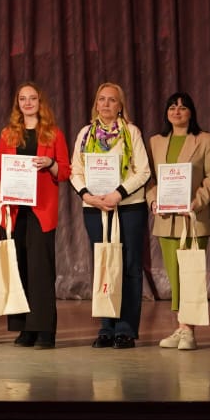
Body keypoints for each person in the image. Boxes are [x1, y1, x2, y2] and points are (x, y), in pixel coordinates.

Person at [70, 82, 152, 349]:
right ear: (96, 104)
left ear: (120, 105)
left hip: (128, 207)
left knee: (128, 266)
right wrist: (87, 195)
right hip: (94, 207)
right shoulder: (86, 133)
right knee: (103, 264)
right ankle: (106, 326)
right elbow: (75, 171)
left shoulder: (131, 132)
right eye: (101, 100)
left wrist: (118, 193)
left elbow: (144, 172)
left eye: (112, 100)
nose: (106, 104)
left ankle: (126, 329)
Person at [0, 82, 69, 350]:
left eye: (32, 98)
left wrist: (50, 164)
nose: (27, 103)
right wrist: (0, 185)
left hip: (41, 210)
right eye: (22, 98)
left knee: (41, 271)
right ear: (17, 104)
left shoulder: (53, 134)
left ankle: (45, 330)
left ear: (40, 102)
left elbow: (65, 172)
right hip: (14, 210)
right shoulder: (7, 135)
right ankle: (24, 329)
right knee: (18, 269)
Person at [145, 92, 210, 351]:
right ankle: (181, 327)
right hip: (166, 220)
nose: (177, 111)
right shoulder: (155, 142)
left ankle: (189, 330)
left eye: (183, 107)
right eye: (172, 107)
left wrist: (197, 202)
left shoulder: (205, 140)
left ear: (191, 112)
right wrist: (154, 201)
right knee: (175, 275)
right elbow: (150, 179)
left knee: (191, 274)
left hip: (193, 218)